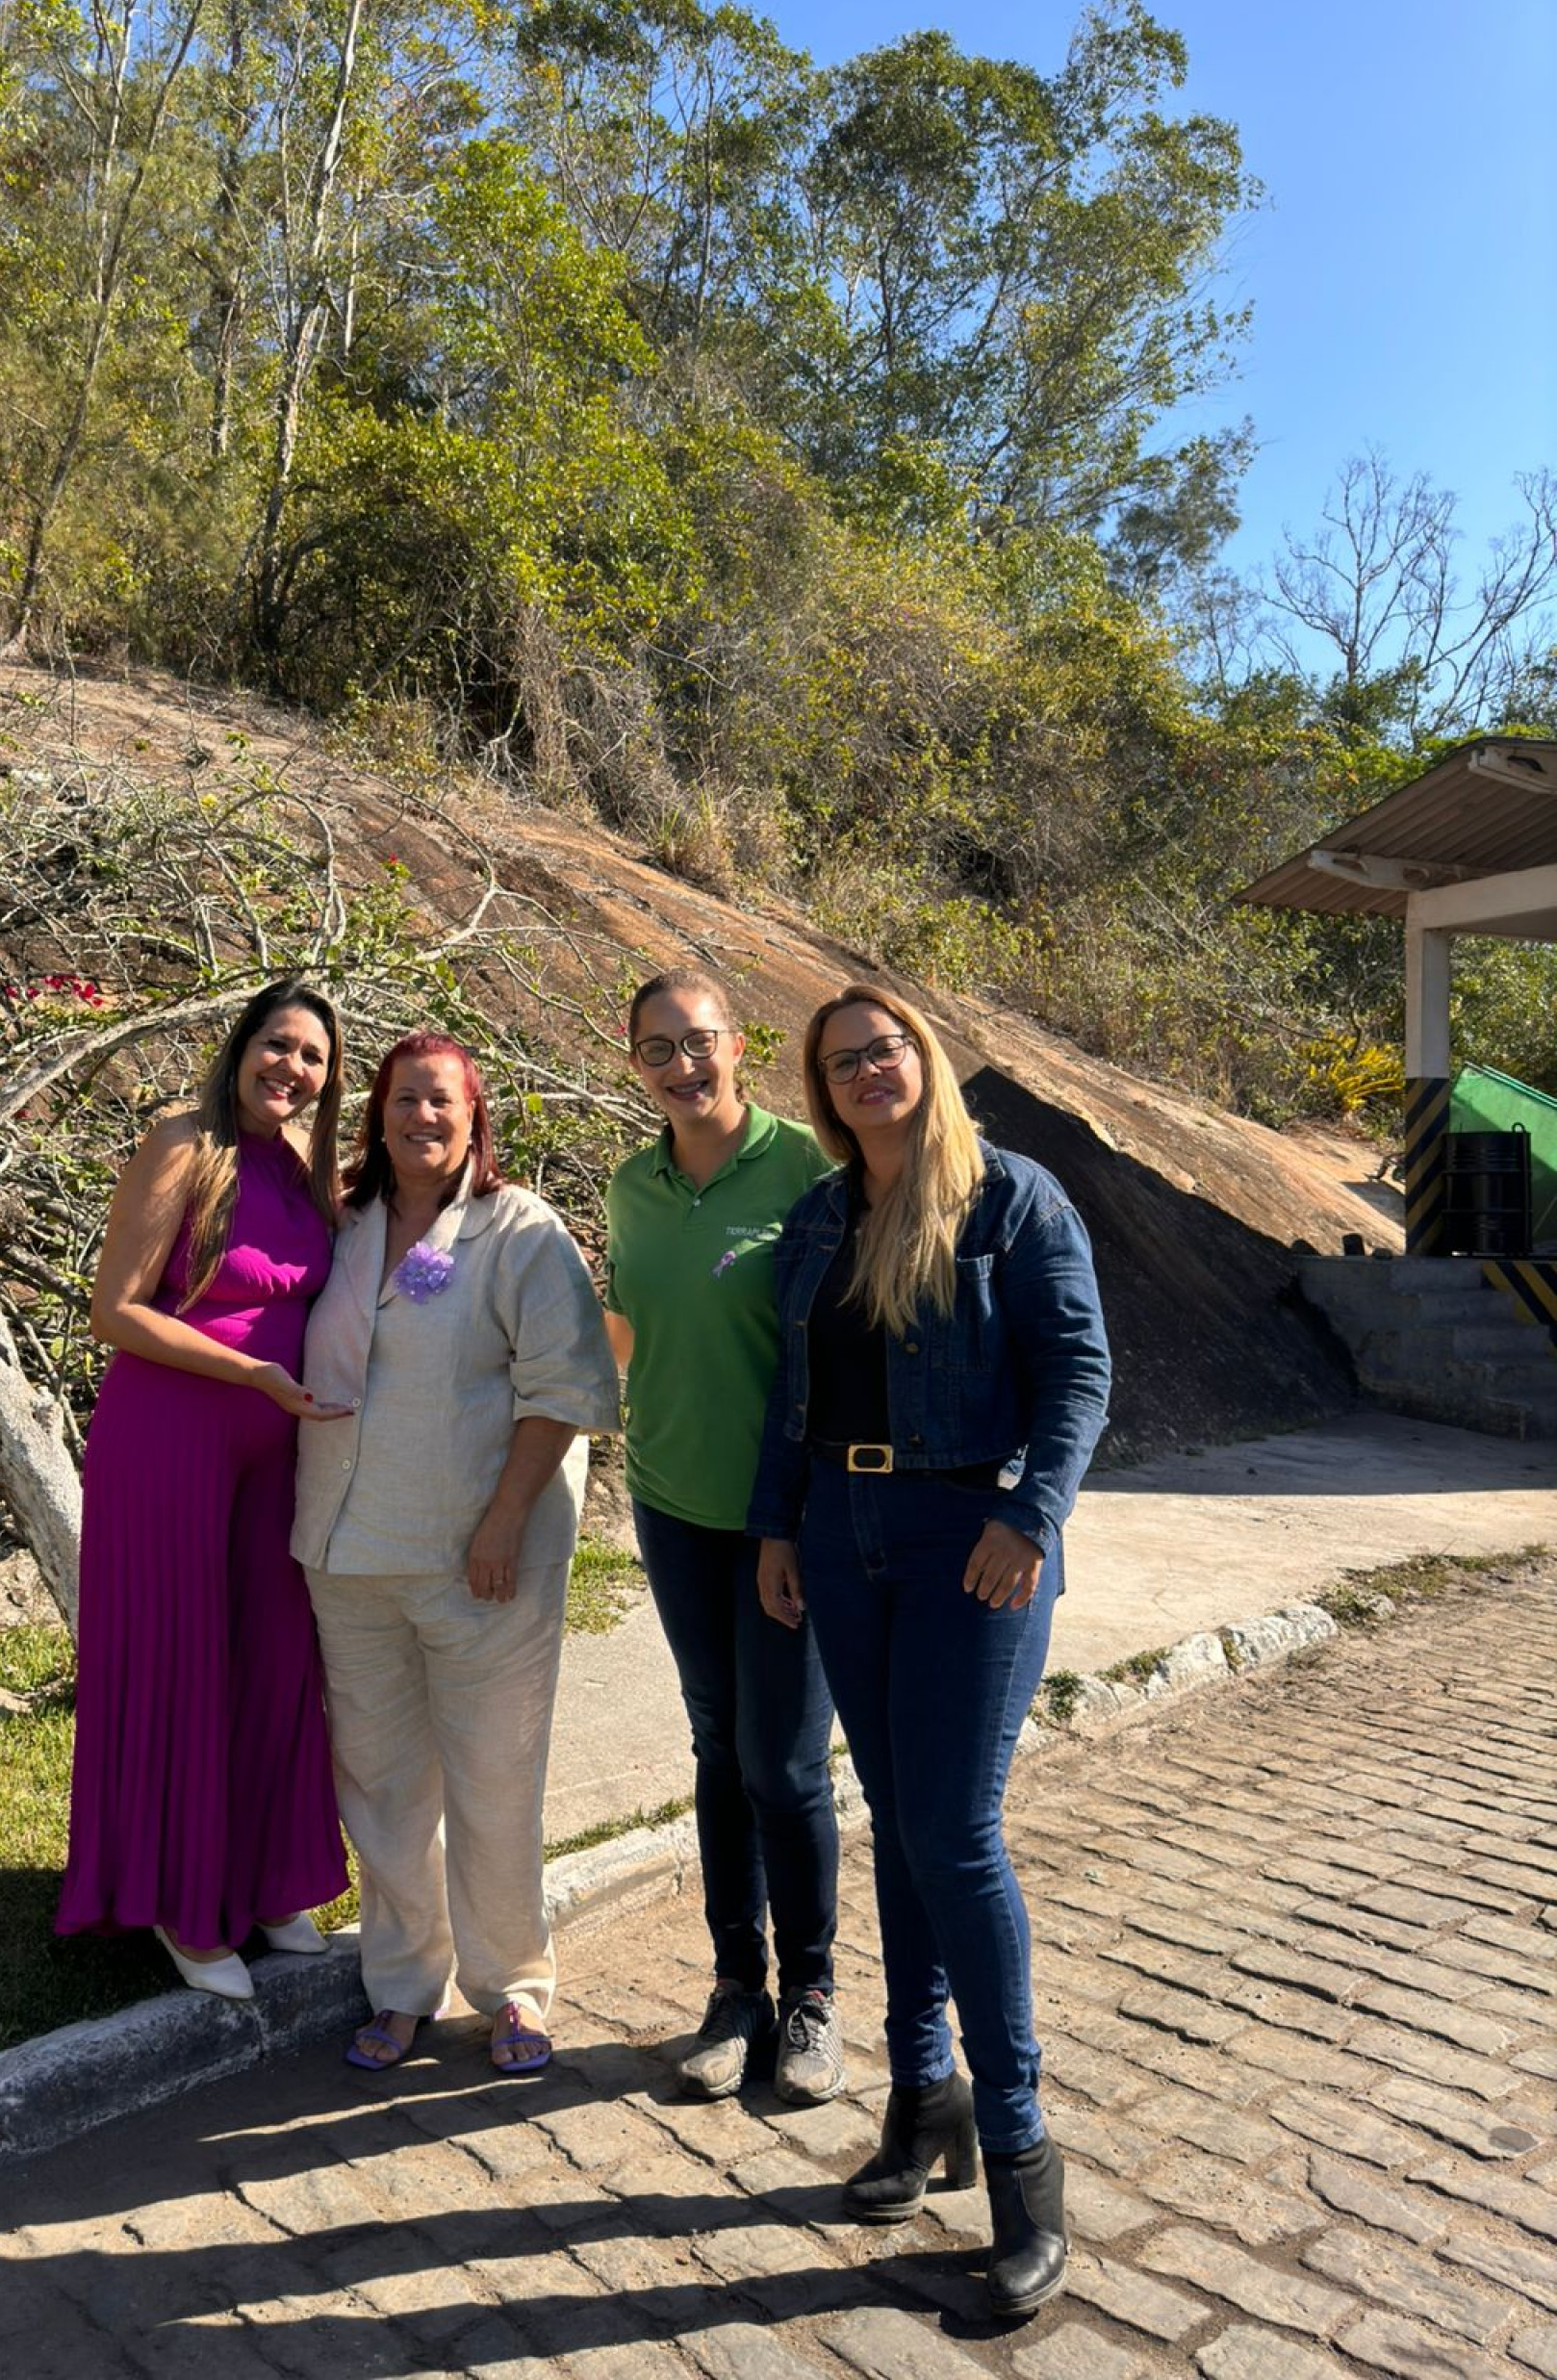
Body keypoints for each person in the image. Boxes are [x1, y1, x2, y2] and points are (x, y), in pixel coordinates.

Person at [751, 982, 1110, 2316]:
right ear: (822, 1088)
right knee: (896, 1824)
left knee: (953, 1834)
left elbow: (1078, 1371)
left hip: (974, 1534)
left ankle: (1020, 2155)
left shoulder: (1013, 1199)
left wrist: (1032, 1513)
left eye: (887, 1048)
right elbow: (795, 1396)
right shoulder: (819, 1215)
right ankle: (922, 2099)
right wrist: (777, 1528)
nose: (868, 1071)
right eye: (843, 1061)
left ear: (926, 1058)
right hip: (842, 1533)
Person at [293, 1032, 619, 2077]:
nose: (422, 1117)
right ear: (376, 1116)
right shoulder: (344, 1227)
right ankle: (403, 1984)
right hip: (348, 1553)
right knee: (382, 1788)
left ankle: (513, 1983)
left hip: (481, 1561)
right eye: (403, 1100)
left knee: (494, 1778)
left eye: (442, 1100)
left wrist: (503, 1521)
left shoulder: (518, 1231)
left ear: (475, 1115)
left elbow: (566, 1386)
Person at [57, 980, 351, 1999]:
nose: (291, 1068)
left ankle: (269, 1881)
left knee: (274, 1657)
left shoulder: (307, 1167)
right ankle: (180, 1902)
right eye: (278, 1044)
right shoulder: (185, 1142)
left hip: (277, 1452)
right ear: (241, 1046)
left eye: (312, 1056)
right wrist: (249, 1374)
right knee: (179, 1660)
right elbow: (116, 1310)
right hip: (170, 1437)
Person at [602, 967, 844, 2105]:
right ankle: (736, 1987)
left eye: (699, 1040)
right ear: (634, 1063)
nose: (682, 1065)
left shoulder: (810, 1168)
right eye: (658, 1049)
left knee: (784, 1765)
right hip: (670, 1505)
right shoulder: (631, 1184)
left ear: (739, 1044)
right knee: (716, 1745)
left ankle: (812, 1993)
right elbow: (629, 1327)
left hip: (783, 1520)